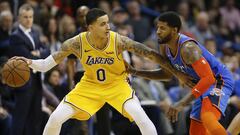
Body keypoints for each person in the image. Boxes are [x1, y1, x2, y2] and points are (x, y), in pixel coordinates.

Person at [14, 8, 193, 135]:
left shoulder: (119, 41)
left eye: (108, 23)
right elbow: (46, 65)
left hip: (117, 86)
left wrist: (178, 73)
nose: (108, 27)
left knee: (142, 118)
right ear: (90, 27)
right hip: (89, 86)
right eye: (102, 24)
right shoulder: (75, 43)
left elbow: (152, 55)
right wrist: (29, 62)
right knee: (54, 119)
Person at [126, 11, 234, 135]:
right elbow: (166, 75)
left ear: (174, 30)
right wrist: (135, 71)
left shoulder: (188, 49)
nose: (158, 31)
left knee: (208, 118)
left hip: (218, 80)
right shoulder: (164, 46)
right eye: (157, 27)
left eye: (162, 28)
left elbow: (209, 79)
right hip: (202, 84)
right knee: (195, 130)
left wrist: (181, 103)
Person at [8, 4, 50, 135]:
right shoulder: (15, 36)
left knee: (35, 119)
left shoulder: (35, 34)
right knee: (20, 119)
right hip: (23, 83)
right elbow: (26, 58)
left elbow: (47, 51)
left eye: (31, 17)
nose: (28, 20)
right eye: (25, 17)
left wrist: (38, 54)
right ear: (19, 18)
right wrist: (37, 54)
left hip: (36, 82)